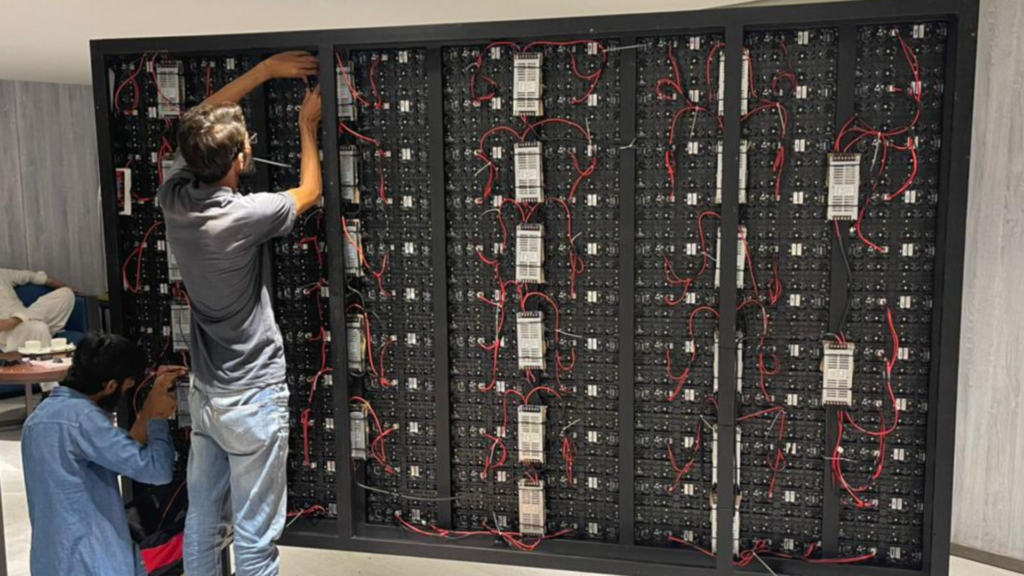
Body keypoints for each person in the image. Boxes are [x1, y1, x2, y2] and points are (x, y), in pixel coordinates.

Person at [158, 51, 322, 576]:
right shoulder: (247, 215)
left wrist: (264, 73)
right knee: (255, 536)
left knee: (203, 521)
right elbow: (312, 190)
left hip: (207, 394)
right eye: (246, 143)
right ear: (240, 161)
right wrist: (307, 128)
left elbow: (194, 127)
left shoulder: (175, 200)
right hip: (252, 395)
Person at [21, 333, 183, 576]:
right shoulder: (84, 419)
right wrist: (159, 419)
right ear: (110, 386)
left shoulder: (41, 418)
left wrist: (148, 409)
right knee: (202, 534)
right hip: (97, 563)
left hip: (53, 563)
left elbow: (116, 455)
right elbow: (157, 471)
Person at [0, 267, 76, 353]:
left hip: (28, 317)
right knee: (38, 327)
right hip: (6, 332)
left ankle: (17, 319)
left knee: (66, 293)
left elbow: (33, 276)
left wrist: (62, 285)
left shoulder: (2, 274)